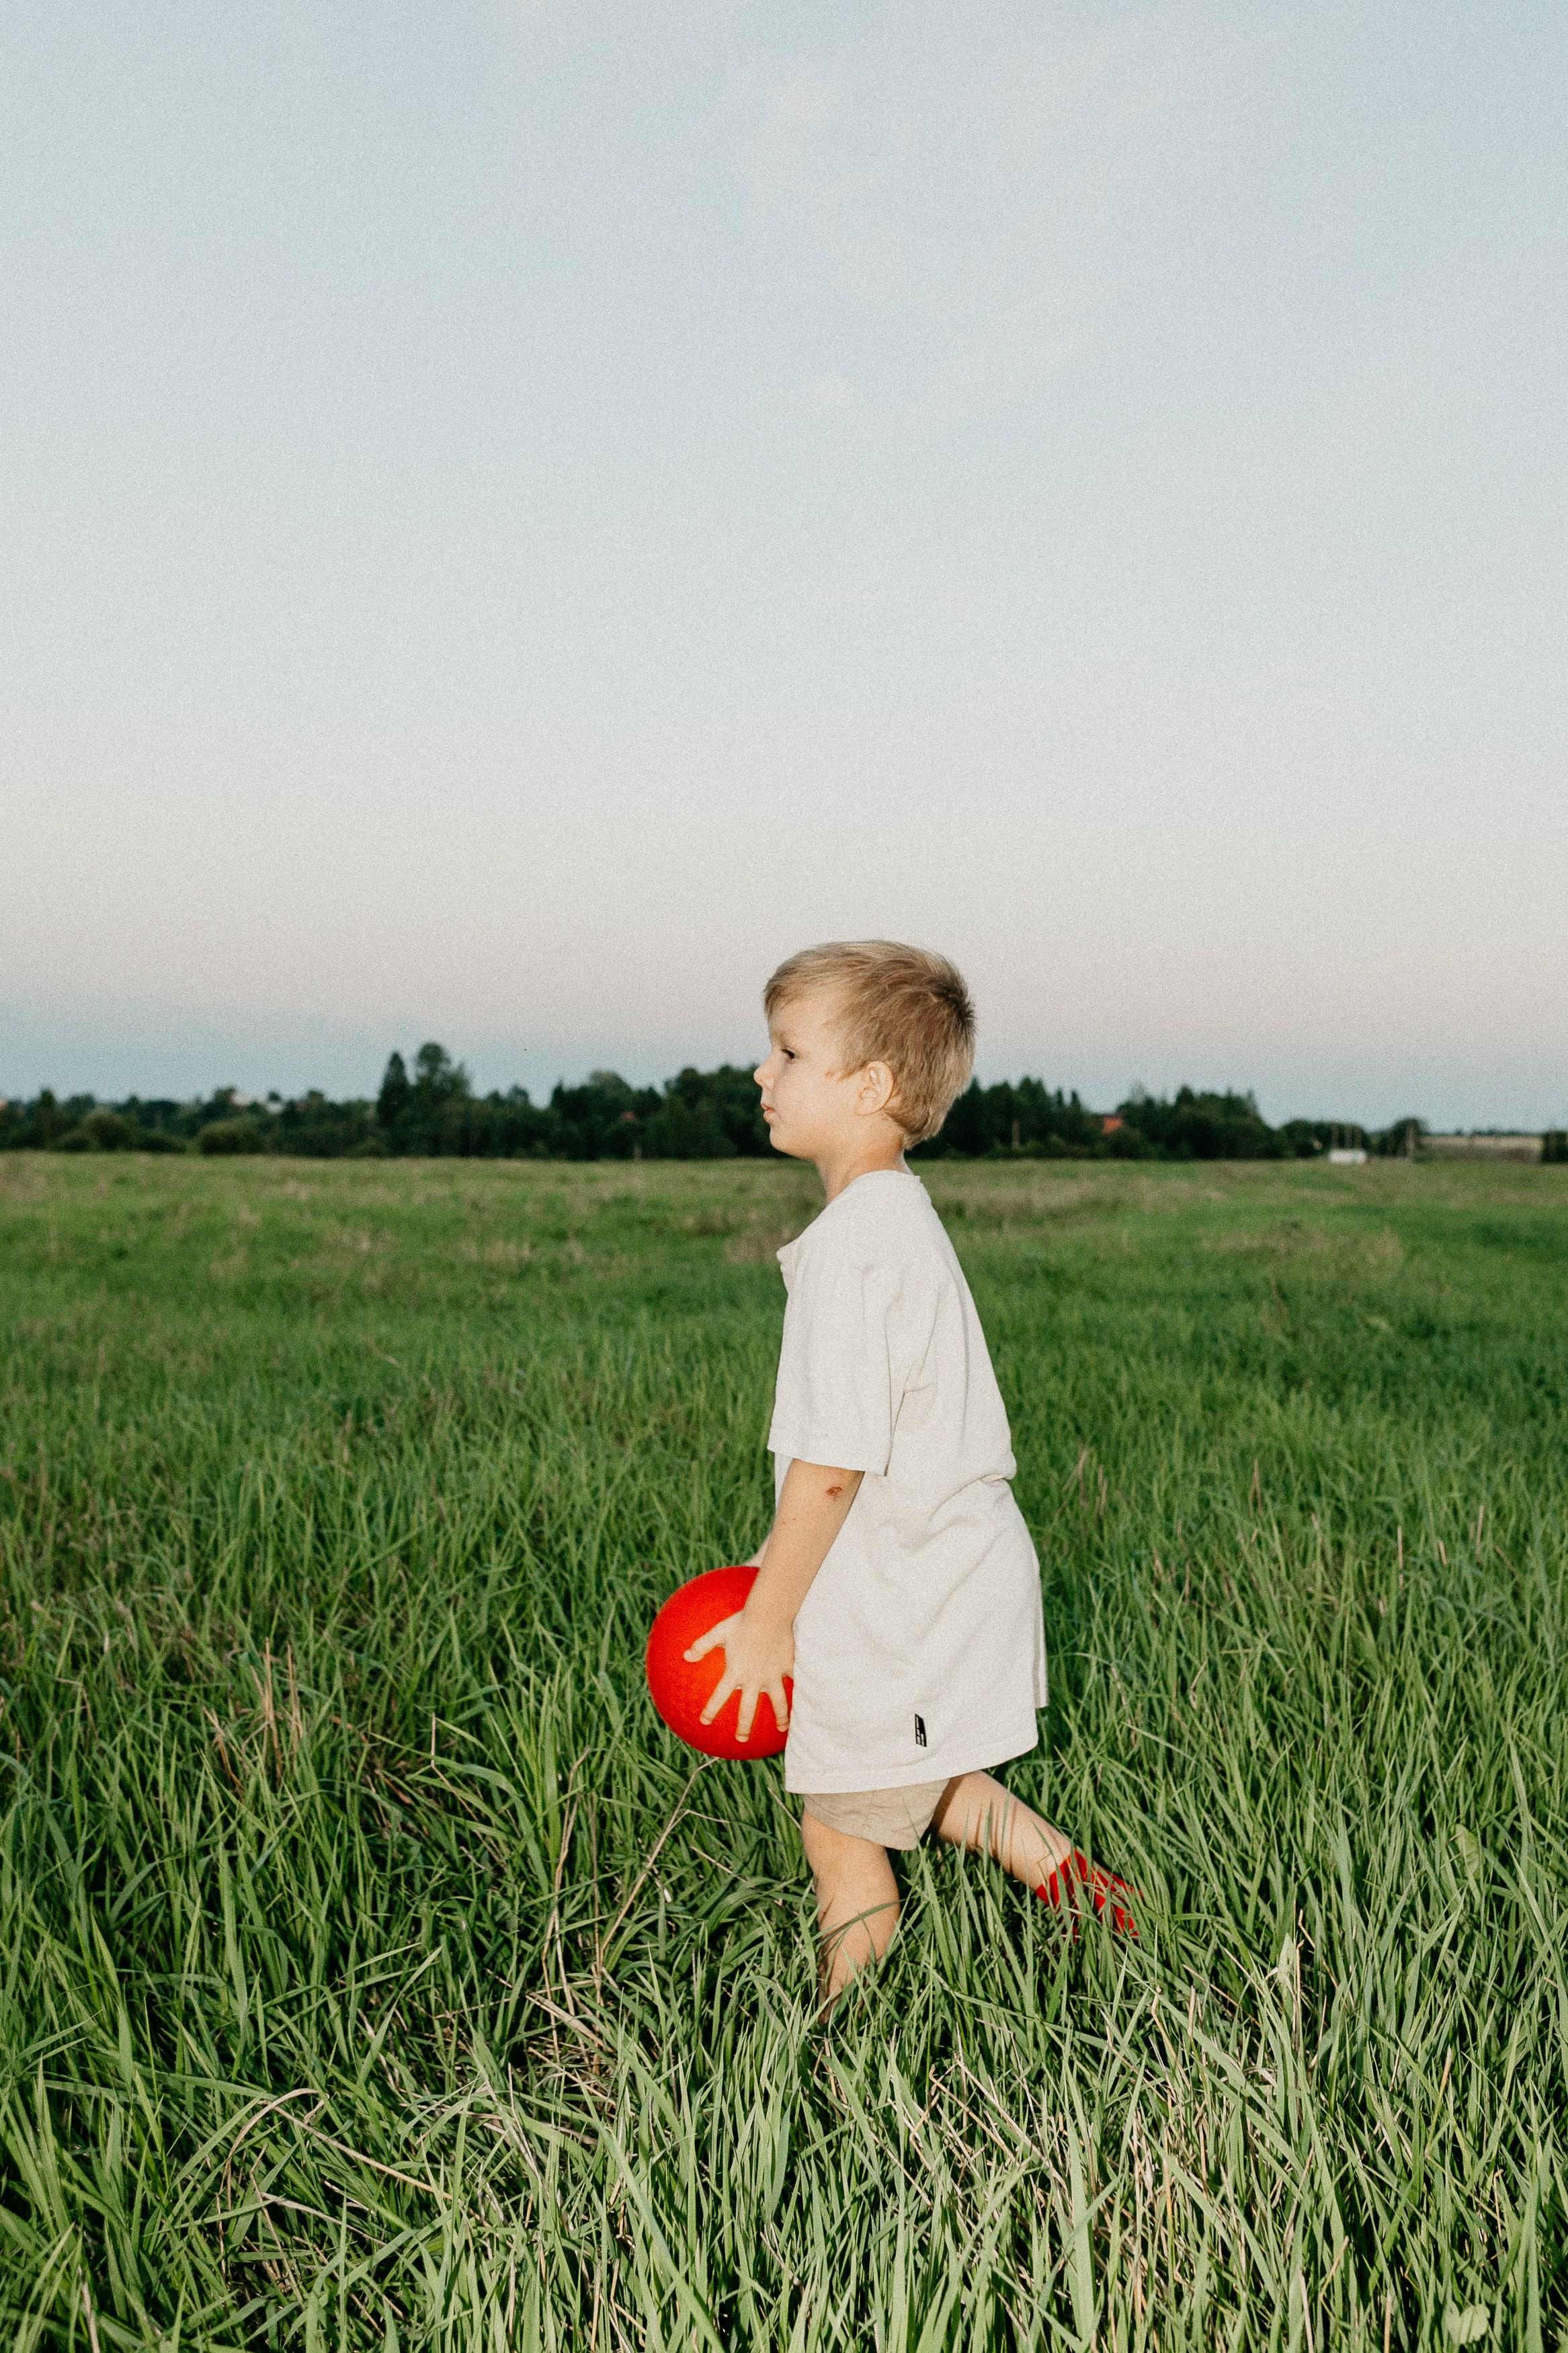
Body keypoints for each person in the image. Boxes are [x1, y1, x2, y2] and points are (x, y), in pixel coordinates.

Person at [684, 940, 1137, 2003]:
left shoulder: (855, 1249)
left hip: (911, 1600)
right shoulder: (892, 1218)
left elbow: (831, 1468)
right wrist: (774, 1575)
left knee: (840, 1827)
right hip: (939, 1579)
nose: (761, 1072)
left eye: (789, 1052)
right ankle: (1086, 1893)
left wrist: (766, 1620)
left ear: (871, 1085)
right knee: (924, 1781)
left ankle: (850, 2033)